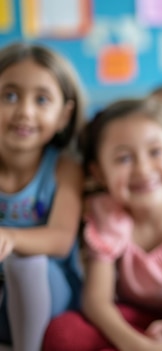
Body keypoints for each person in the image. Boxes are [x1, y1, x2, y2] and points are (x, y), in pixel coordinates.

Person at [42, 99, 162, 351]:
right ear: (99, 173)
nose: (143, 168)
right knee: (63, 332)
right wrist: (136, 344)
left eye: (155, 152)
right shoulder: (107, 217)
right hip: (131, 318)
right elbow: (97, 301)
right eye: (123, 158)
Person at [0, 42, 85, 351]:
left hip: (49, 296)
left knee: (27, 262)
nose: (25, 111)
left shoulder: (65, 168)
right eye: (9, 96)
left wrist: (9, 237)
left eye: (42, 99)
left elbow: (61, 239)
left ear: (64, 115)